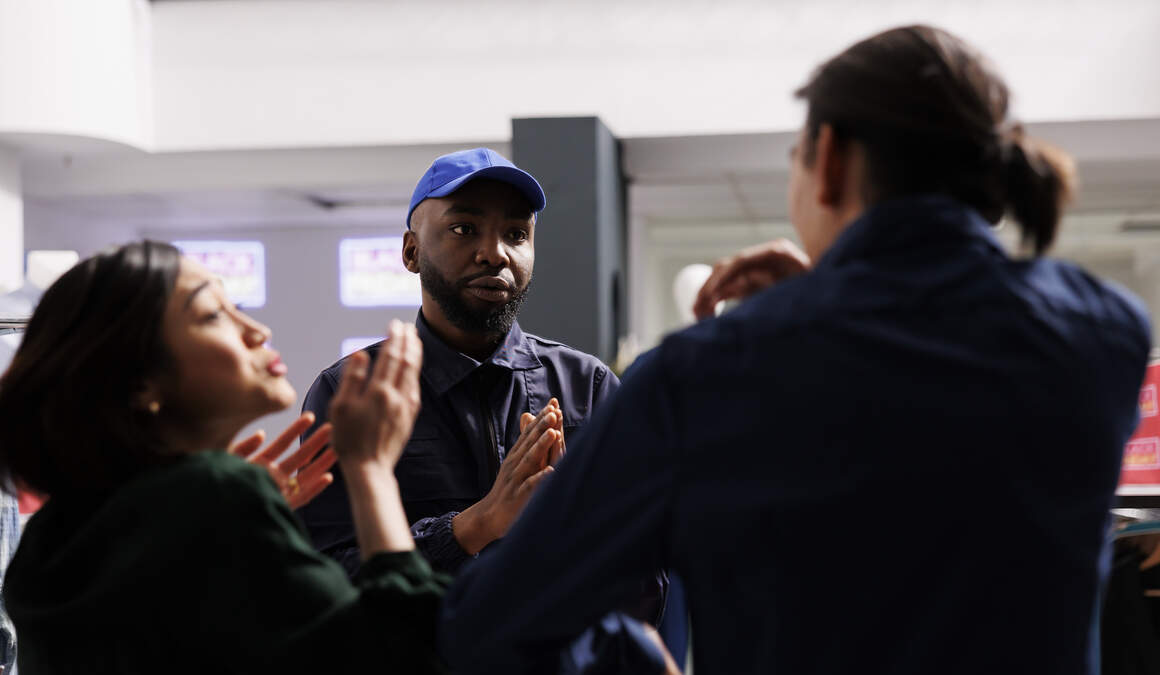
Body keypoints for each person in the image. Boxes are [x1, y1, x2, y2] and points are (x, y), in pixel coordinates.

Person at [439, 24, 1152, 674]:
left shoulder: (703, 374)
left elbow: (495, 624)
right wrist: (831, 294)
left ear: (831, 160)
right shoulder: (1103, 334)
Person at [0, 241, 449, 674]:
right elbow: (408, 654)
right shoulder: (215, 495)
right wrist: (370, 470)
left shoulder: (55, 534)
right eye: (211, 315)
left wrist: (227, 527)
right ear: (141, 383)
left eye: (235, 307)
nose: (257, 331)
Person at [300, 148, 628, 577]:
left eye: (516, 234)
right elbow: (325, 575)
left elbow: (643, 564)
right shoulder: (352, 393)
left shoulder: (587, 387)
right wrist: (473, 527)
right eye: (464, 228)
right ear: (411, 252)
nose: (495, 254)